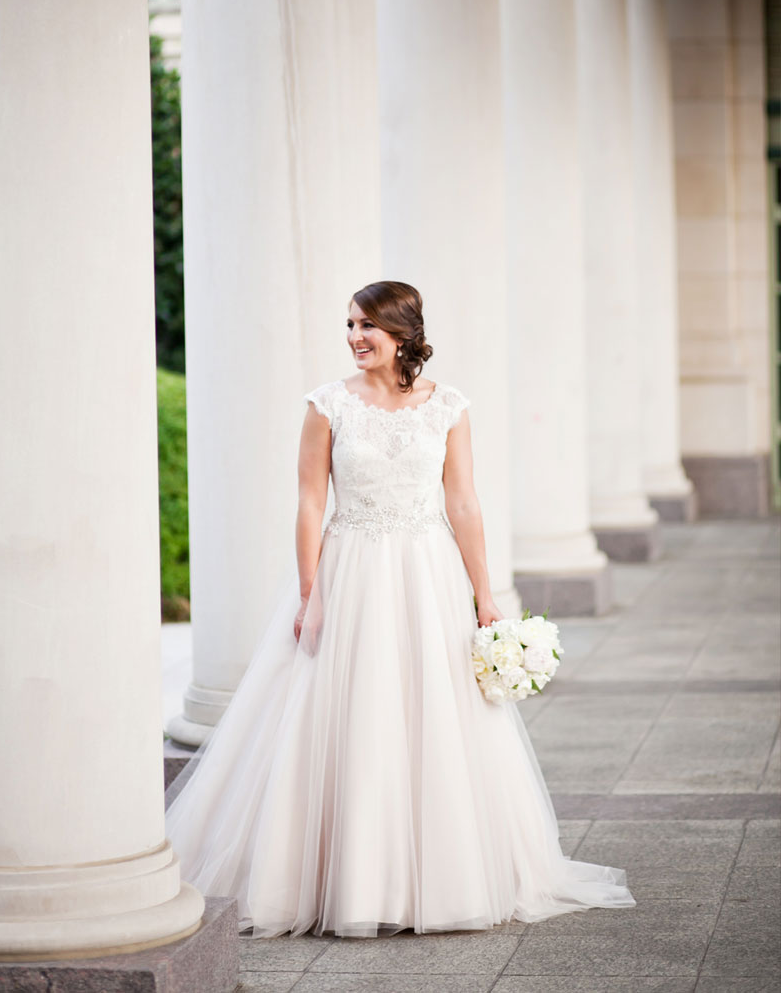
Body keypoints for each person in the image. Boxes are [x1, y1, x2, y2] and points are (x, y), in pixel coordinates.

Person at [163, 280, 633, 937]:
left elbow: (464, 503)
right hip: (350, 568)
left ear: (403, 333)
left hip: (425, 572)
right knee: (346, 713)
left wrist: (486, 593)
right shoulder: (328, 405)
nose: (356, 336)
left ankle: (436, 878)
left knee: (430, 713)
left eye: (368, 326)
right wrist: (309, 591)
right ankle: (345, 876)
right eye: (350, 324)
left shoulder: (449, 407)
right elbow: (309, 503)